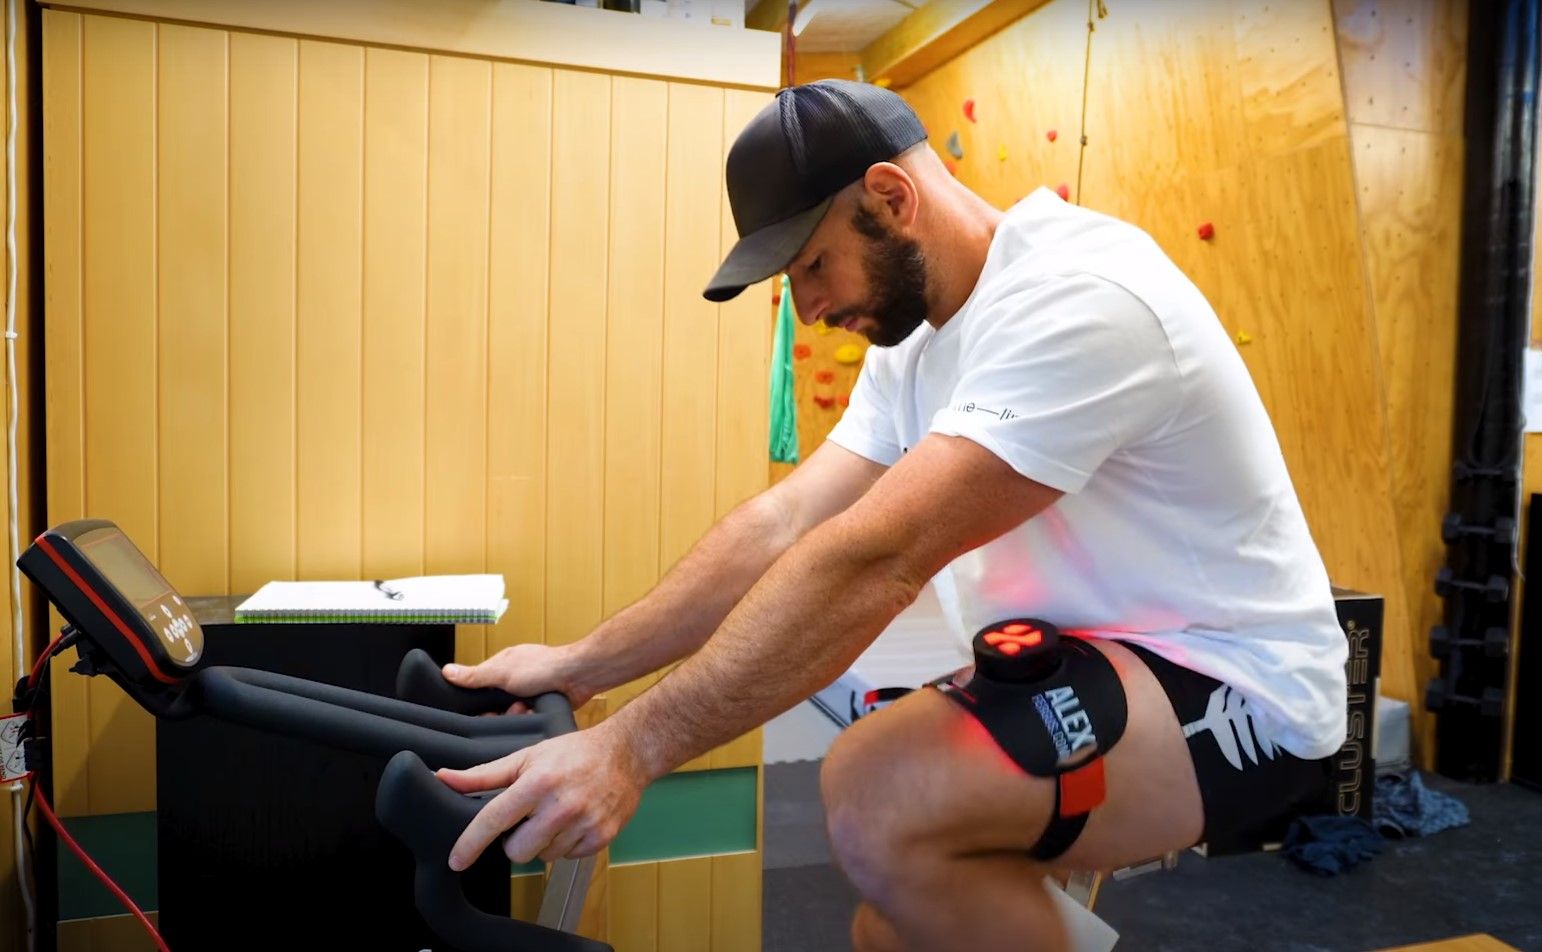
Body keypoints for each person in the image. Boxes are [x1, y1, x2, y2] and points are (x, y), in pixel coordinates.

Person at [435, 79, 1349, 952]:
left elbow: (877, 558)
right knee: (891, 932)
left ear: (890, 195)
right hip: (1088, 649)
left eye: (814, 265)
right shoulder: (917, 339)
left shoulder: (1079, 302)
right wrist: (584, 666)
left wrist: (632, 749)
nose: (810, 307)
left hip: (1234, 679)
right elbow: (786, 524)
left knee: (879, 794)